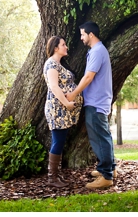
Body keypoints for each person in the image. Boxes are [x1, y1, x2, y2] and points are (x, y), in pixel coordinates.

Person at [67, 21, 116, 189]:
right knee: (104, 136)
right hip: (99, 101)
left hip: (96, 102)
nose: (81, 38)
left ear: (91, 35)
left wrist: (73, 94)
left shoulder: (97, 51)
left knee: (99, 138)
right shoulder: (98, 50)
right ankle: (111, 168)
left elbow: (88, 77)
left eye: (82, 34)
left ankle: (106, 176)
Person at [43, 36, 83, 188]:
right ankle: (52, 177)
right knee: (58, 142)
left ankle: (57, 175)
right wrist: (66, 103)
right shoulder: (52, 64)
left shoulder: (58, 64)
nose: (66, 47)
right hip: (57, 108)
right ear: (55, 48)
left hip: (62, 109)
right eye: (63, 45)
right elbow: (54, 87)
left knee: (60, 141)